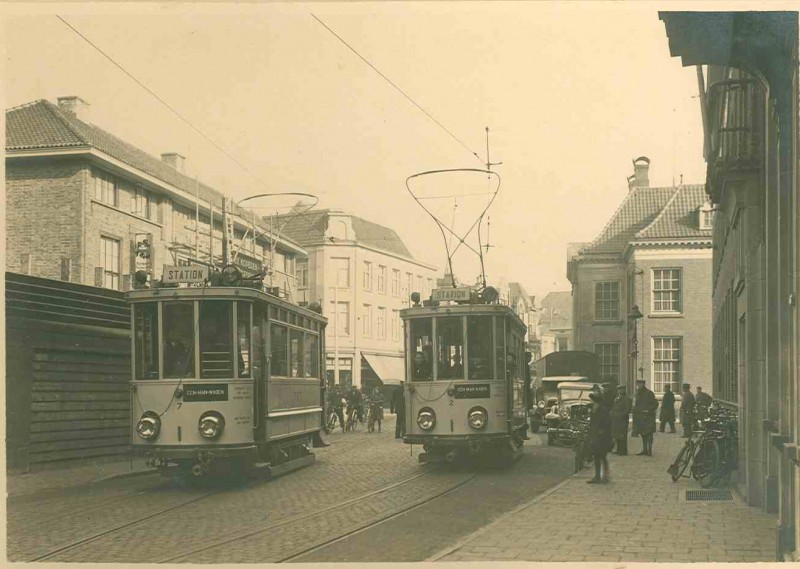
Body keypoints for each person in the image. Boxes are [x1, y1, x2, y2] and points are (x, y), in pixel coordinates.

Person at [585, 391, 613, 483]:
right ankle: (597, 476)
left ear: (596, 401)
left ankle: (605, 476)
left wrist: (601, 431)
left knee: (602, 457)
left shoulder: (602, 410)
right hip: (595, 436)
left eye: (592, 400)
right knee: (597, 457)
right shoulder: (594, 409)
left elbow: (607, 423)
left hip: (602, 438)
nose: (591, 401)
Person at [632, 379, 658, 456]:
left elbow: (655, 404)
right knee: (643, 434)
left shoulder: (649, 393)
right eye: (638, 384)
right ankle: (644, 449)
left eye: (640, 384)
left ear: (644, 384)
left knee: (649, 434)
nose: (639, 385)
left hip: (648, 417)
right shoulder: (636, 394)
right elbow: (635, 404)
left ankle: (649, 450)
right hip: (640, 418)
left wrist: (649, 410)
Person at [610, 385, 632, 455]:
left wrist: (620, 415)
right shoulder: (616, 398)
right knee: (617, 435)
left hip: (622, 420)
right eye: (619, 390)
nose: (620, 391)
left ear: (624, 390)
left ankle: (623, 451)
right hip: (616, 419)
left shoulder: (627, 399)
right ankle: (619, 449)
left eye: (621, 390)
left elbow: (627, 409)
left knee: (622, 435)